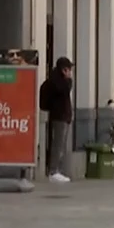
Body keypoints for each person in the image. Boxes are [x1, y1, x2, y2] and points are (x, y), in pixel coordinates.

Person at [39, 56, 75, 184]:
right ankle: (53, 171)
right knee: (58, 144)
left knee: (60, 144)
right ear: (64, 70)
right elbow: (65, 90)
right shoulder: (59, 82)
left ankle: (57, 170)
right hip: (59, 116)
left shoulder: (53, 81)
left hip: (61, 116)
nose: (70, 72)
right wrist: (68, 79)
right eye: (69, 69)